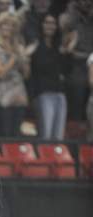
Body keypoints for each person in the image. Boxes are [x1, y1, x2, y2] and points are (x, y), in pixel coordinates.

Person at [0, 11, 30, 137]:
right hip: (2, 97)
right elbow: (0, 73)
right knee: (4, 134)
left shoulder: (18, 48)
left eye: (11, 25)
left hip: (19, 96)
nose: (8, 28)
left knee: (16, 134)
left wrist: (24, 59)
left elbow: (26, 74)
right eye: (4, 24)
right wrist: (14, 58)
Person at [29, 12, 71, 140]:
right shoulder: (36, 44)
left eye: (53, 23)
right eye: (47, 22)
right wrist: (61, 54)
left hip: (60, 93)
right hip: (43, 93)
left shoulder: (58, 46)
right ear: (42, 25)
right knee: (46, 135)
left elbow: (66, 69)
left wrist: (66, 52)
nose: (50, 26)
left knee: (58, 136)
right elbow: (41, 66)